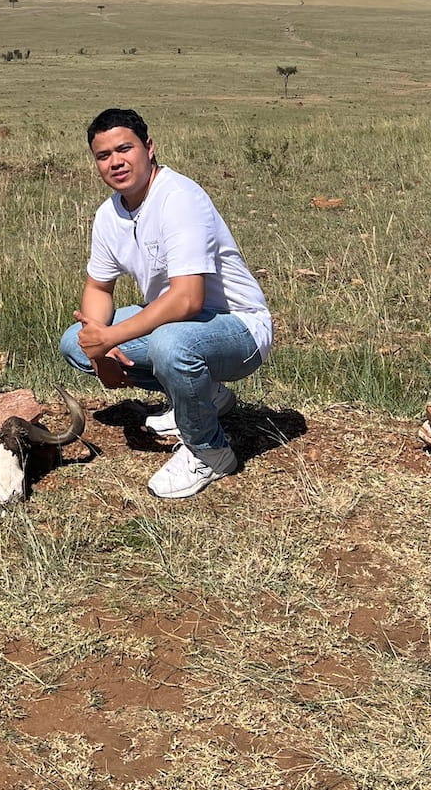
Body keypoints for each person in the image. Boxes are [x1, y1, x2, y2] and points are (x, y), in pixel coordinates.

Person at [59, 108, 272, 500]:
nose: (116, 162)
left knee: (170, 345)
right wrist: (97, 347)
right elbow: (99, 288)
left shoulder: (179, 197)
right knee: (75, 342)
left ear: (149, 148)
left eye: (125, 149)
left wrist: (110, 340)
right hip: (179, 325)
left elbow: (188, 299)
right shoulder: (109, 214)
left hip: (239, 329)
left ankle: (209, 450)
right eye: (103, 156)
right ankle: (204, 396)